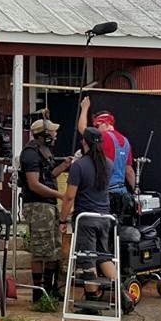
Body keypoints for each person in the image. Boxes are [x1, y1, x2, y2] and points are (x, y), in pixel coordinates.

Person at [18, 118, 72, 301]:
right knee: (41, 250)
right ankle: (38, 293)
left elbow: (48, 175)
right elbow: (34, 184)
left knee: (53, 250)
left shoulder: (45, 151)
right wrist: (60, 195)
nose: (56, 135)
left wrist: (63, 166)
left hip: (48, 205)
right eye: (52, 132)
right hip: (38, 206)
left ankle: (50, 289)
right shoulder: (30, 154)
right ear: (44, 136)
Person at [60, 127, 117, 283]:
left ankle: (92, 297)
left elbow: (70, 196)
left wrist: (62, 219)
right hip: (104, 216)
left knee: (87, 259)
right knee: (103, 256)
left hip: (85, 218)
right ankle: (121, 293)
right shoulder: (109, 164)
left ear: (84, 141)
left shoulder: (79, 165)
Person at [78, 97, 135, 214]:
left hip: (105, 194)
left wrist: (84, 109)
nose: (96, 130)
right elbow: (129, 171)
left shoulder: (104, 137)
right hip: (121, 193)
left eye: (96, 126)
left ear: (104, 123)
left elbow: (82, 129)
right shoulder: (125, 141)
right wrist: (135, 192)